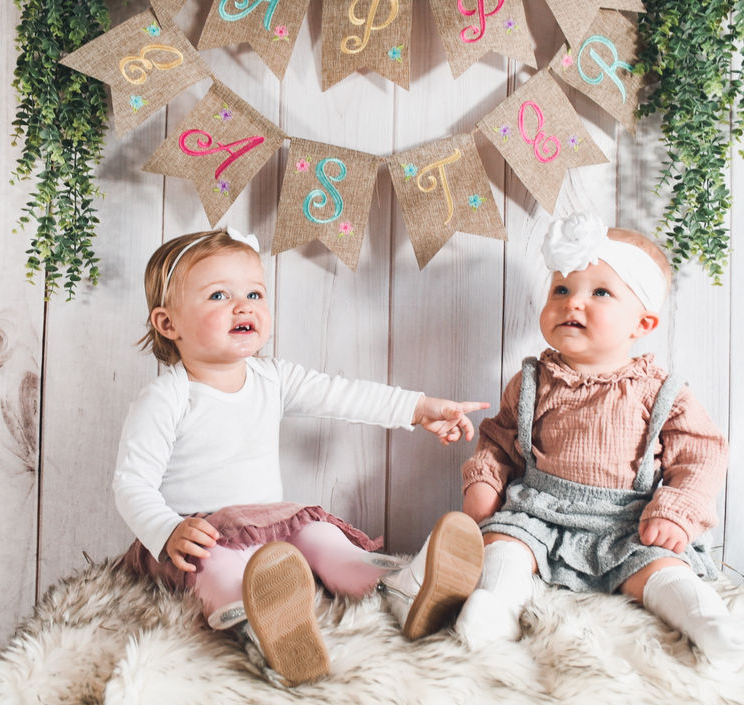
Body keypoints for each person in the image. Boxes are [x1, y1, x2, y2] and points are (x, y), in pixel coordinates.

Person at [114, 227, 486, 686]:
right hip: (199, 536)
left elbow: (344, 395)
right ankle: (265, 628)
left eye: (254, 293)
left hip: (268, 523)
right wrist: (168, 530)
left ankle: (402, 588)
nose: (244, 306)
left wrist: (420, 407)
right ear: (168, 324)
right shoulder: (165, 398)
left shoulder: (272, 378)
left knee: (321, 537)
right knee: (219, 567)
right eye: (219, 295)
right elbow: (131, 483)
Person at [454, 213, 744, 670]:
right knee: (504, 542)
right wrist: (484, 482)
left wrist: (676, 511)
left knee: (661, 566)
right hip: (541, 511)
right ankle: (494, 609)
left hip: (629, 521)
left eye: (600, 293)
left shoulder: (661, 391)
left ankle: (709, 622)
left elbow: (702, 454)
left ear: (643, 323)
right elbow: (500, 440)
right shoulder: (532, 381)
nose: (573, 303)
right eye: (561, 289)